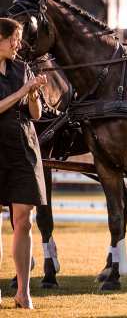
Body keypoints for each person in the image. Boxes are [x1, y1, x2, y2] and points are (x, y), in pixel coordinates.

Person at [0, 17, 48, 309]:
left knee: (25, 220)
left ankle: (23, 290)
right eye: (13, 39)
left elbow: (37, 114)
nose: (18, 44)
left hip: (23, 148)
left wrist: (32, 95)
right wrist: (21, 91)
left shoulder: (22, 68)